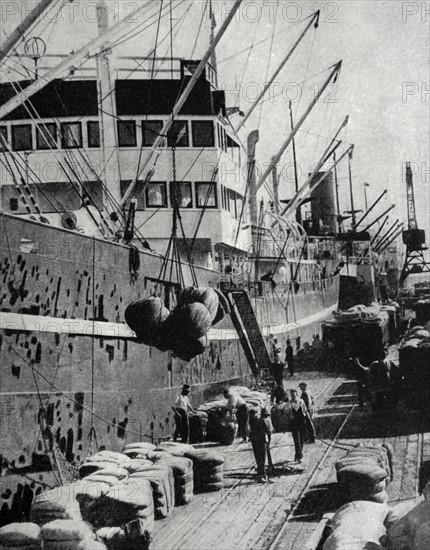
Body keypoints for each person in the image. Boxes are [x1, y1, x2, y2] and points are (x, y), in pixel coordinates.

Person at [286, 389, 313, 462]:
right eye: (292, 395)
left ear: (296, 394)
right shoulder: (289, 403)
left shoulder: (301, 401)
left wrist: (308, 419)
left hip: (302, 422)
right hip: (294, 423)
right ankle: (298, 454)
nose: (293, 396)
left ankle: (299, 453)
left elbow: (305, 411)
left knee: (301, 439)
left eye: (294, 394)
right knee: (296, 439)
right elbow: (288, 413)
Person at [249, 407, 273, 482]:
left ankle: (261, 475)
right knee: (262, 459)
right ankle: (263, 475)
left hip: (254, 442)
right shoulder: (263, 421)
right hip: (262, 441)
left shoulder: (251, 421)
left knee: (258, 459)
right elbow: (268, 432)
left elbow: (250, 432)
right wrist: (268, 442)